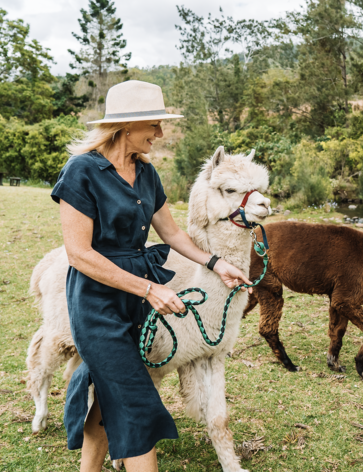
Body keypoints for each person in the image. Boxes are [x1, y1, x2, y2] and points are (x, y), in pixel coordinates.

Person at [51, 80, 253, 472]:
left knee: (109, 392)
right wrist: (150, 288)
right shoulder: (82, 172)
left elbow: (173, 233)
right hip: (96, 301)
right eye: (154, 125)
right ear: (127, 127)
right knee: (137, 400)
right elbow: (79, 254)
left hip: (138, 299)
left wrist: (216, 264)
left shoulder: (146, 173)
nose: (160, 134)